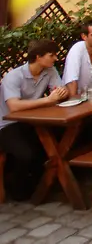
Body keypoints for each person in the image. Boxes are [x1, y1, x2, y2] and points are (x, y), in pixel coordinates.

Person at [0, 40, 68, 200]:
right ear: (38, 57)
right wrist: (48, 100)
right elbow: (14, 106)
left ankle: (44, 182)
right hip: (6, 124)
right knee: (26, 154)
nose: (55, 58)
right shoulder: (14, 76)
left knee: (56, 139)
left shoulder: (49, 70)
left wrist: (62, 92)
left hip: (30, 121)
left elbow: (59, 91)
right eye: (51, 55)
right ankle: (17, 189)